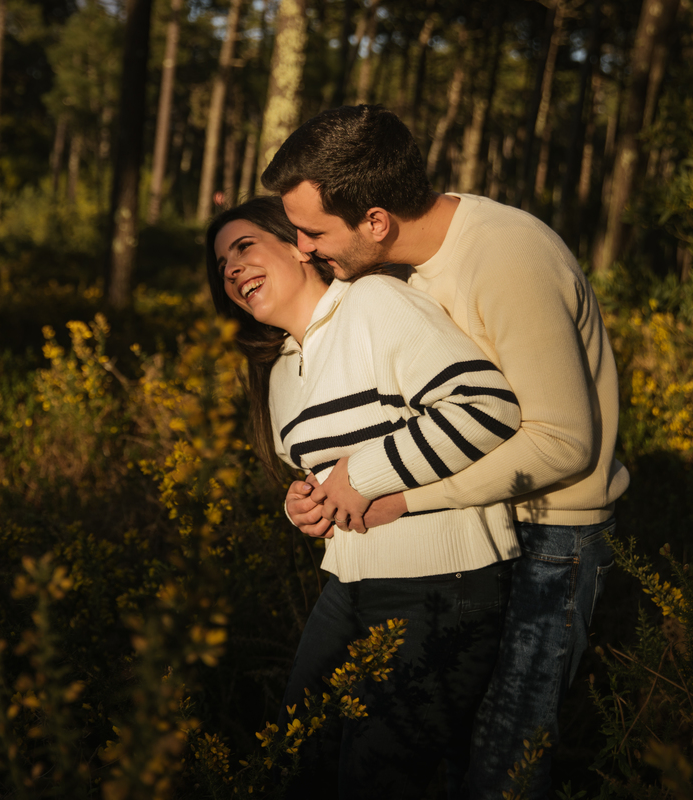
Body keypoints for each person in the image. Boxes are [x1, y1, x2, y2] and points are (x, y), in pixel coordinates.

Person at [262, 105, 630, 799]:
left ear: (375, 220)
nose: (304, 249)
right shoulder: (401, 270)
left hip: (551, 536)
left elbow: (564, 441)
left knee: (505, 766)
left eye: (312, 232)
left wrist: (395, 496)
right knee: (452, 758)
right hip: (476, 537)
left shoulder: (505, 255)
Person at [205, 196, 525, 798]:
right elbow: (332, 481)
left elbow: (486, 406)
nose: (231, 269)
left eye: (244, 246)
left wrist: (361, 474)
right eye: (221, 262)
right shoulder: (280, 372)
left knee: (373, 779)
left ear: (298, 244)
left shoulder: (375, 302)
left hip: (443, 579)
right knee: (296, 758)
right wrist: (305, 505)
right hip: (349, 582)